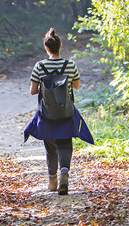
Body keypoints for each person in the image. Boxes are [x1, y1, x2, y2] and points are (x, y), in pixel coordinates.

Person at [26, 28, 93, 195]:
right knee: (65, 142)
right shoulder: (70, 65)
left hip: (47, 113)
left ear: (46, 48)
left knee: (50, 144)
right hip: (66, 111)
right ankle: (64, 172)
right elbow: (76, 86)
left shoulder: (39, 66)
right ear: (60, 46)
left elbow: (33, 91)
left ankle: (52, 179)